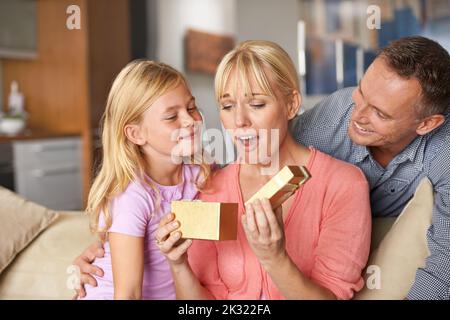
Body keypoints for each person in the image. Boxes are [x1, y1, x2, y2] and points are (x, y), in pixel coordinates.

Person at [154, 40, 372, 300]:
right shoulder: (211, 187)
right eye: (227, 106)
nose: (239, 121)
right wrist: (178, 266)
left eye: (256, 105)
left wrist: (275, 258)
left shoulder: (343, 185)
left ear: (291, 105)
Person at [291, 36, 450, 300]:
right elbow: (263, 169)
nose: (358, 116)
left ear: (426, 124)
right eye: (361, 92)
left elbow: (445, 261)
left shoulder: (444, 148)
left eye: (380, 113)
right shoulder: (333, 116)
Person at [78, 60, 210, 299]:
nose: (190, 120)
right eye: (172, 117)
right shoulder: (133, 196)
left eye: (191, 107)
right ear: (136, 134)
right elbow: (128, 293)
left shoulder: (201, 174)